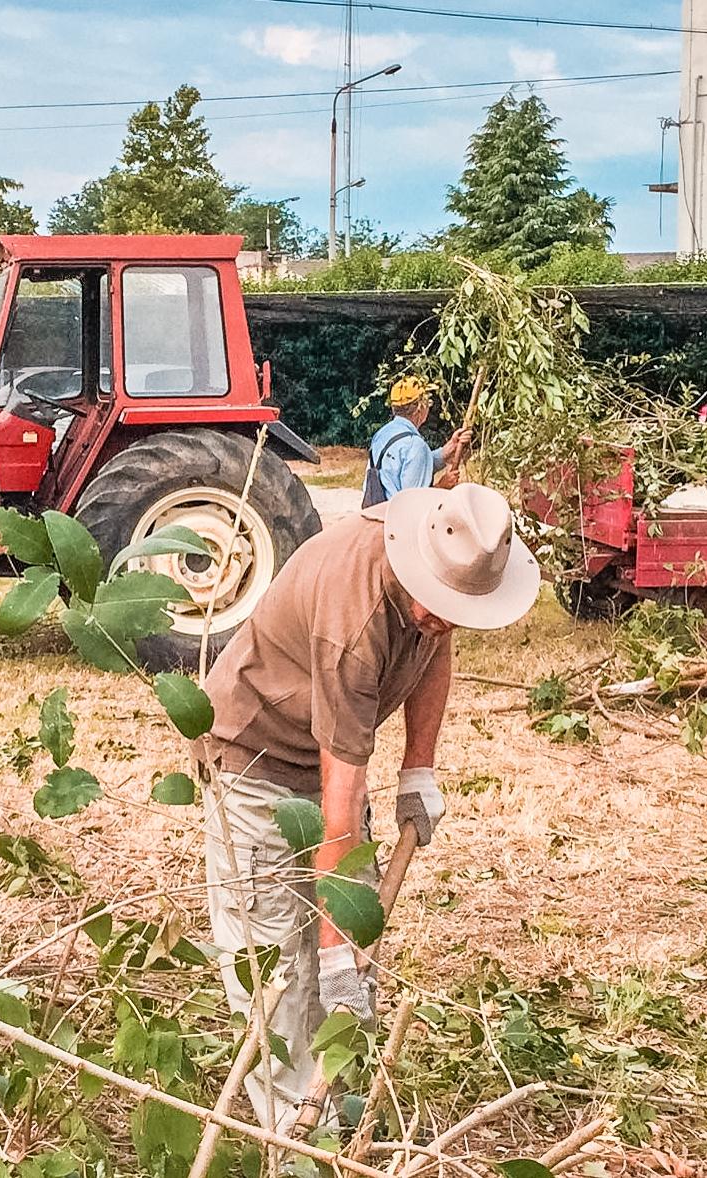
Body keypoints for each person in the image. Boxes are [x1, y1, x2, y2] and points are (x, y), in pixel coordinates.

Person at [195, 483, 539, 1132]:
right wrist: (331, 955)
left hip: (319, 752)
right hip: (255, 756)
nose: (439, 617)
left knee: (352, 951)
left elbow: (435, 644)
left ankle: (338, 1102)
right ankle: (296, 1142)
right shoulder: (351, 629)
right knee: (282, 963)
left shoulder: (440, 556)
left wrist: (419, 767)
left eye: (454, 606)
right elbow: (340, 814)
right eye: (435, 604)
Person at [362, 376, 474, 507]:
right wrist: (442, 486)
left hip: (377, 512)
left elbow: (408, 467)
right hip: (398, 521)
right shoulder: (415, 446)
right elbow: (415, 504)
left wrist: (448, 449)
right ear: (420, 408)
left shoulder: (382, 434)